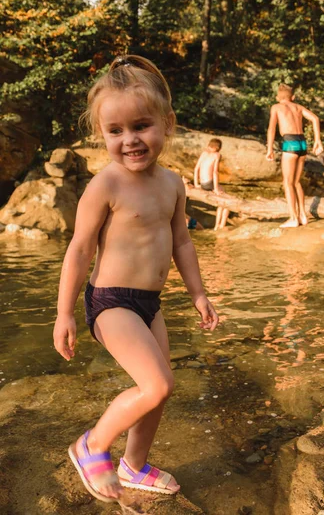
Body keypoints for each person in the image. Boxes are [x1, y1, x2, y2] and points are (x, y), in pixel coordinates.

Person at [53, 55, 219, 503]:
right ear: (101, 135)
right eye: (116, 131)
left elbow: (181, 242)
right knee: (157, 383)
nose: (130, 140)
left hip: (149, 302)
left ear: (167, 122)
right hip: (111, 302)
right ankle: (92, 445)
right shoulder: (105, 185)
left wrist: (199, 294)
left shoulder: (173, 184)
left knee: (159, 390)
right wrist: (64, 314)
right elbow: (80, 250)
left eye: (141, 126)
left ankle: (135, 466)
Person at [266, 83, 324, 228]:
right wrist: (317, 141)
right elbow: (315, 119)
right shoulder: (298, 107)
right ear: (293, 97)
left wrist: (270, 149)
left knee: (287, 182)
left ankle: (293, 218)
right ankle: (303, 216)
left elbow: (272, 129)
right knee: (296, 182)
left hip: (290, 143)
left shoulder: (276, 107)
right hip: (302, 143)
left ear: (277, 97)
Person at [193, 138, 230, 230]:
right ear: (218, 148)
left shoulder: (204, 153)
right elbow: (215, 172)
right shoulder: (217, 155)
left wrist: (196, 184)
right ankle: (219, 225)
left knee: (222, 202)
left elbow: (196, 169)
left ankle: (217, 226)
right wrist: (216, 189)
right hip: (209, 183)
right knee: (227, 202)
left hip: (202, 183)